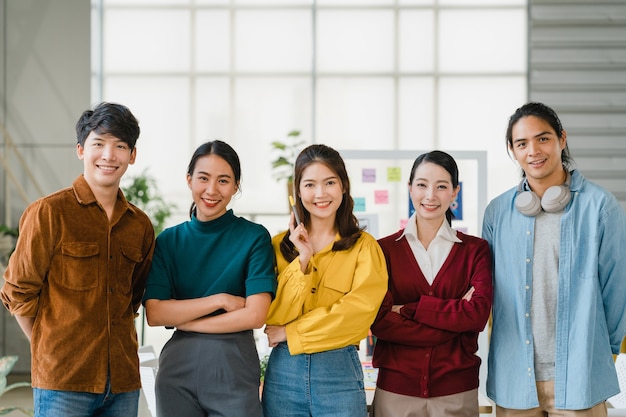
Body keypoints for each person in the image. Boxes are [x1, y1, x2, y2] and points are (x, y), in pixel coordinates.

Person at [1, 102, 155, 417]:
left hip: (124, 383)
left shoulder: (139, 225)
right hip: (63, 383)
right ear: (81, 150)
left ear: (132, 155)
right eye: (99, 144)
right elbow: (17, 292)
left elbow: (133, 298)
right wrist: (51, 348)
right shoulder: (49, 212)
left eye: (120, 146)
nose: (109, 156)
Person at [483, 102, 626, 416]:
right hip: (514, 379)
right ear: (512, 150)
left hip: (580, 378)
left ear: (562, 138)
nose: (533, 150)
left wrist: (599, 353)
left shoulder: (600, 206)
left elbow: (617, 293)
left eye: (543, 138)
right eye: (522, 143)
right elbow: (487, 293)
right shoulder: (497, 212)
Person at [142, 140, 276, 417]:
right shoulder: (168, 241)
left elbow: (255, 315)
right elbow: (155, 313)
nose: (212, 190)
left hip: (234, 366)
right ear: (189, 180)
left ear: (236, 186)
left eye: (223, 180)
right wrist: (221, 300)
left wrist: (187, 320)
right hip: (176, 372)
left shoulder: (254, 237)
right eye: (203, 178)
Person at [261, 144, 388, 417]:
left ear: (343, 186)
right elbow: (272, 314)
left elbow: (355, 317)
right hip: (283, 375)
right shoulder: (275, 246)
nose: (320, 194)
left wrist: (290, 332)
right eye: (310, 184)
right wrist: (303, 260)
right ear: (297, 193)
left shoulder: (365, 248)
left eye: (329, 182)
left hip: (339, 375)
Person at [370, 150, 493, 417]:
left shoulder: (475, 251)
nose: (430, 195)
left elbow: (477, 316)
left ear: (454, 192)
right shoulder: (384, 250)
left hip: (456, 394)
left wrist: (408, 310)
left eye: (441, 187)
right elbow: (380, 322)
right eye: (422, 185)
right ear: (410, 188)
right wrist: (454, 316)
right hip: (395, 393)